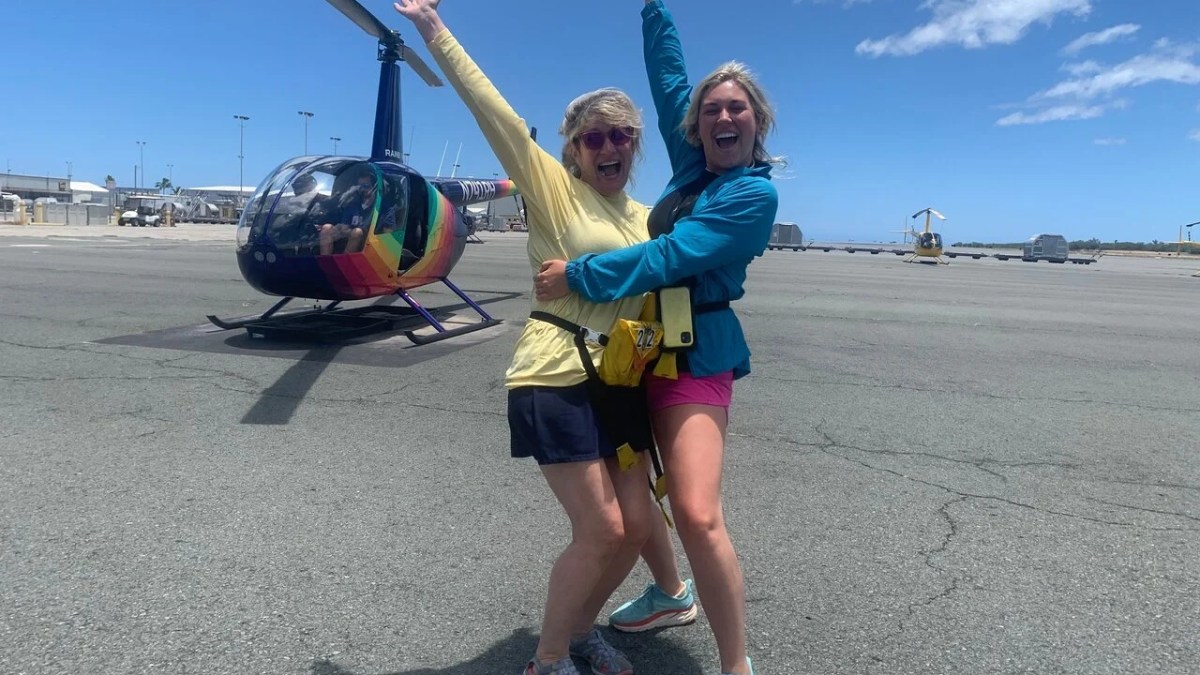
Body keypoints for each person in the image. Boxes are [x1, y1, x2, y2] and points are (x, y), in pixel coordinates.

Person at [392, 2, 657, 674]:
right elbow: (500, 118)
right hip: (555, 372)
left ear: (635, 143)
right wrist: (433, 30)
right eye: (593, 138)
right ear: (573, 148)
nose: (608, 148)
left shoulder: (648, 216)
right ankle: (547, 657)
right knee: (599, 529)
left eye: (620, 136)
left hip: (621, 382)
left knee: (634, 529)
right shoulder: (555, 190)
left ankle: (580, 629)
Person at [534, 2, 780, 673]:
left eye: (737, 109)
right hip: (641, 348)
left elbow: (672, 256)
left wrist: (577, 275)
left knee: (697, 512)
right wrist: (653, 8)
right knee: (634, 493)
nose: (722, 117)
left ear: (757, 123)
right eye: (711, 110)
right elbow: (669, 73)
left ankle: (737, 665)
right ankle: (670, 593)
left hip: (698, 350)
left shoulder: (752, 197)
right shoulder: (693, 160)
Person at [318, 170, 394, 255]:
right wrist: (344, 230)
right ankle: (325, 264)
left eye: (366, 186)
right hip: (349, 236)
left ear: (374, 187)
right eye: (360, 186)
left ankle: (344, 265)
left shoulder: (384, 209)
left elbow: (388, 234)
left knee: (357, 232)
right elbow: (344, 226)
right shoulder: (353, 205)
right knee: (327, 228)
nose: (363, 189)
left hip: (369, 243)